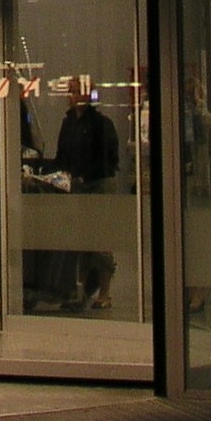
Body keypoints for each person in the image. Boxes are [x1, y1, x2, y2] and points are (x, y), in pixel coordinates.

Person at [52, 87, 123, 311]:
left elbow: (109, 158)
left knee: (99, 240)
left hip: (98, 184)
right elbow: (61, 155)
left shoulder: (101, 123)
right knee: (80, 240)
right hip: (76, 186)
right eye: (72, 91)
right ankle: (80, 291)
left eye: (79, 91)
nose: (75, 96)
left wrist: (86, 175)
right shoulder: (68, 123)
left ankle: (105, 293)